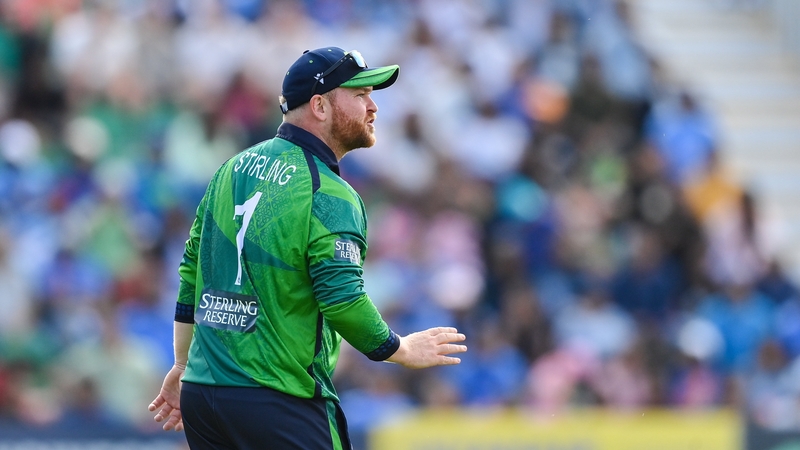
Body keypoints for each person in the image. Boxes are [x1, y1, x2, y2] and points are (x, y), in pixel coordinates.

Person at [147, 46, 468, 449]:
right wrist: (400, 349)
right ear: (320, 106)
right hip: (278, 399)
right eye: (360, 95)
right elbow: (343, 302)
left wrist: (182, 363)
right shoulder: (330, 194)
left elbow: (191, 270)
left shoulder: (231, 169)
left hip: (204, 394)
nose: (373, 107)